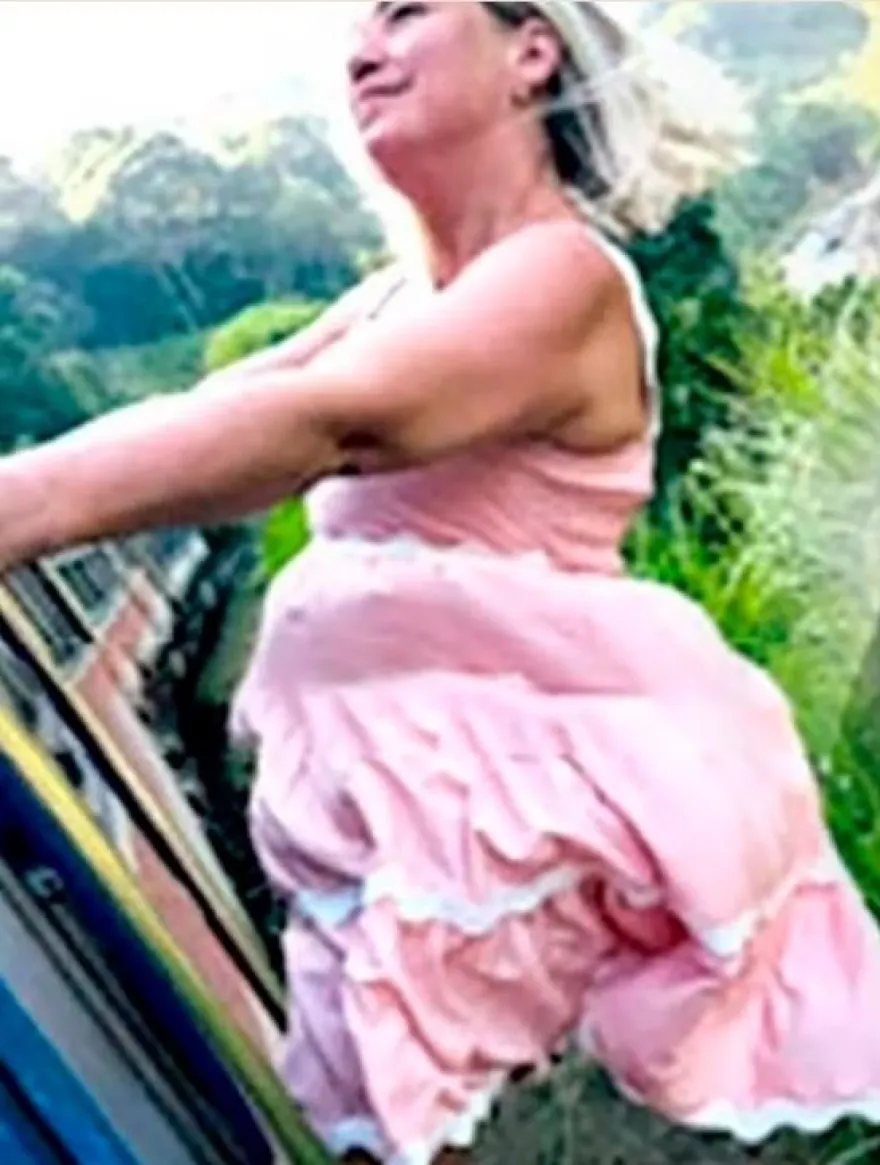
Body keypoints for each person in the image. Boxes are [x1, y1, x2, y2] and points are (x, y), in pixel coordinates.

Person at [1, 2, 879, 1162]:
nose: (361, 47)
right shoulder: (389, 301)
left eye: (407, 10)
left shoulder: (561, 277)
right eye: (356, 25)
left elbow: (332, 421)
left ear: (532, 50)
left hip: (505, 807)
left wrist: (17, 511)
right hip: (387, 818)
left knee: (416, 1120)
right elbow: (211, 411)